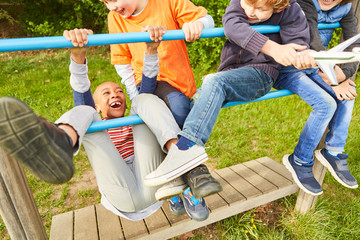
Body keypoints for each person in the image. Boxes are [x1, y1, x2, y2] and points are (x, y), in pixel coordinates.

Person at [0, 28, 209, 222]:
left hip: (153, 185)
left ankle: (179, 156)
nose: (115, 94)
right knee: (86, 113)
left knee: (144, 98)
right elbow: (83, 99)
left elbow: (147, 87)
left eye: (119, 91)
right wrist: (78, 57)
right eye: (106, 93)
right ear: (99, 106)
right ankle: (60, 142)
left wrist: (151, 50)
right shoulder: (95, 117)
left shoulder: (135, 119)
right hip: (121, 193)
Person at [143, 0, 315, 187]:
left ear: (279, 7)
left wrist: (301, 57)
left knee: (214, 82)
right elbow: (232, 26)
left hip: (261, 73)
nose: (250, 11)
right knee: (195, 103)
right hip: (230, 72)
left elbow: (297, 44)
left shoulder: (291, 11)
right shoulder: (238, 5)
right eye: (247, 4)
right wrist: (272, 47)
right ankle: (184, 173)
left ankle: (186, 148)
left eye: (260, 9)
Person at [98, 0, 222, 201]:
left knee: (180, 114)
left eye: (113, 0)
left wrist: (198, 25)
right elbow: (122, 63)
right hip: (147, 81)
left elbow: (207, 19)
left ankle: (178, 181)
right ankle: (195, 176)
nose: (112, 7)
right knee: (177, 109)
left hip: (181, 82)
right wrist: (137, 98)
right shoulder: (115, 18)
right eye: (105, 2)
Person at [272, 0, 359, 196]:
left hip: (315, 66)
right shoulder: (304, 3)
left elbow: (355, 42)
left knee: (348, 96)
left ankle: (334, 151)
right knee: (326, 104)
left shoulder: (346, 9)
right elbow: (313, 39)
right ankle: (300, 159)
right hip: (289, 67)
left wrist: (343, 75)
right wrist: (334, 79)